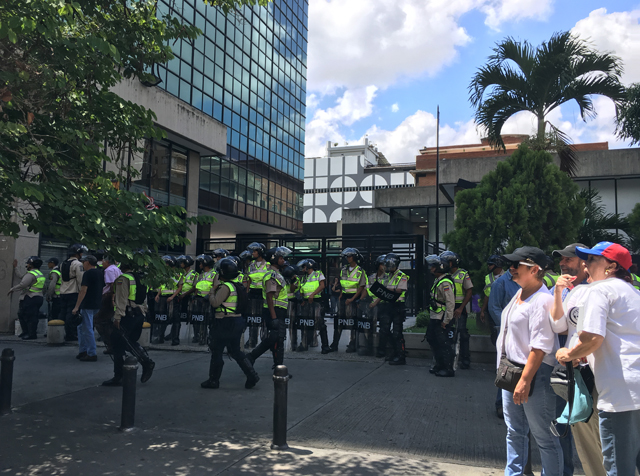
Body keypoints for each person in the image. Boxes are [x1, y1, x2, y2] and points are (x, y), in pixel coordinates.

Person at [556, 242, 640, 476]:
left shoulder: (599, 290)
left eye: (592, 260)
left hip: (618, 393)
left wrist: (569, 354)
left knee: (617, 468)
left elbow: (591, 337)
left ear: (611, 267)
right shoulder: (634, 294)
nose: (586, 264)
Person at [497, 246, 563, 476]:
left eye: (517, 266)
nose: (511, 269)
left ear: (535, 270)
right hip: (511, 370)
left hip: (532, 374)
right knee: (514, 431)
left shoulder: (542, 300)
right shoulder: (521, 292)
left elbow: (541, 346)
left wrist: (524, 381)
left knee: (544, 436)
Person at [549, 243, 604, 476]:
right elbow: (559, 325)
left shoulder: (601, 290)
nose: (562, 264)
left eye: (567, 259)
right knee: (582, 435)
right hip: (576, 375)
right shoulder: (573, 291)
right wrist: (559, 293)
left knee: (602, 438)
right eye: (560, 260)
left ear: (584, 263)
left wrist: (574, 354)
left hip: (599, 374)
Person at [201, 257, 260, 389]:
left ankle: (213, 380)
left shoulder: (225, 287)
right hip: (236, 321)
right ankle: (252, 375)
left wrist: (212, 290)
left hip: (224, 322)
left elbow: (215, 303)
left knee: (217, 351)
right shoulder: (237, 286)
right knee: (236, 351)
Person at [102, 259, 155, 386]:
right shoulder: (140, 278)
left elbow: (121, 300)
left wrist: (118, 317)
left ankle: (120, 375)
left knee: (117, 343)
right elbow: (144, 298)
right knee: (129, 342)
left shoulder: (123, 279)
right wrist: (143, 312)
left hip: (127, 315)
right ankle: (144, 363)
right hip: (138, 314)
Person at [247, 247, 292, 373]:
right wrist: (273, 318)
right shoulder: (272, 275)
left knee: (277, 339)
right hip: (274, 311)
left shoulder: (277, 274)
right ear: (275, 259)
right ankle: (254, 357)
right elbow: (269, 296)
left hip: (279, 310)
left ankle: (277, 366)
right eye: (281, 258)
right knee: (276, 338)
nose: (283, 260)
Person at [488, 260, 521, 418]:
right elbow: (494, 307)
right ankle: (501, 403)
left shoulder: (524, 281)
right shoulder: (500, 283)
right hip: (507, 333)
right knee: (506, 370)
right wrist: (507, 326)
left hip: (523, 335)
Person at [328, 248, 366, 353]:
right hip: (344, 297)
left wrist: (353, 299)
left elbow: (361, 287)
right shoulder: (343, 269)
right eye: (347, 256)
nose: (348, 258)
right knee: (339, 320)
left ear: (354, 257)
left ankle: (352, 343)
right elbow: (342, 283)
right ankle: (335, 344)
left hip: (354, 298)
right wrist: (341, 294)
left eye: (350, 256)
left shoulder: (360, 271)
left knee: (352, 321)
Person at [440, 251, 473, 369]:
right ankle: (448, 357)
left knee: (462, 333)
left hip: (459, 307)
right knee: (447, 333)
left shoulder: (463, 274)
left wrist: (461, 308)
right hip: (447, 307)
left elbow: (469, 291)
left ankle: (465, 359)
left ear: (452, 262)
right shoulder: (444, 275)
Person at [425, 255, 456, 377]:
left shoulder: (446, 282)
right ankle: (439, 364)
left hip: (441, 318)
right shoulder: (438, 280)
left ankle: (448, 368)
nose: (431, 269)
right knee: (432, 339)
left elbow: (450, 303)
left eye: (433, 266)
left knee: (443, 343)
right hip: (435, 316)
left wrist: (446, 320)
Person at [71, 255, 104, 362]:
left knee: (86, 328)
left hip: (87, 304)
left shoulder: (88, 274)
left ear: (88, 262)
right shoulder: (100, 272)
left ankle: (91, 352)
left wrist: (76, 306)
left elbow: (83, 290)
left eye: (83, 262)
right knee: (82, 328)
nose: (82, 264)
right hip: (96, 303)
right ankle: (83, 350)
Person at [382, 253, 409, 365]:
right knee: (385, 330)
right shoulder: (387, 276)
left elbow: (400, 290)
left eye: (389, 265)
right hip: (388, 305)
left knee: (397, 333)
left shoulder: (402, 276)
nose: (387, 267)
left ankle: (400, 355)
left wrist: (387, 289)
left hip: (398, 306)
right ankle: (392, 352)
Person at [8, 256, 45, 340]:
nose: (27, 265)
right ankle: (26, 332)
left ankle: (31, 334)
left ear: (31, 265)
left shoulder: (31, 274)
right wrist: (15, 268)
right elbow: (22, 277)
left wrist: (12, 289)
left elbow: (23, 284)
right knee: (22, 314)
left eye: (28, 263)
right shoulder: (38, 274)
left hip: (30, 297)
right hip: (38, 297)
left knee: (30, 316)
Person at [59, 244, 88, 341]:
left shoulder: (63, 263)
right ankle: (71, 334)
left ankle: (61, 332)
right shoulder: (78, 264)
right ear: (78, 253)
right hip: (73, 292)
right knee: (72, 314)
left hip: (63, 291)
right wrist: (82, 292)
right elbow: (80, 279)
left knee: (62, 313)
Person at [298, 259, 327, 352]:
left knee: (320, 323)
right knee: (305, 323)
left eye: (304, 266)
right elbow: (302, 289)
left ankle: (325, 346)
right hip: (306, 303)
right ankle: (304, 344)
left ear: (309, 266)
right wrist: (301, 299)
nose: (303, 268)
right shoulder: (304, 277)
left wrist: (313, 294)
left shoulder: (318, 274)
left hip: (316, 302)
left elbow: (322, 286)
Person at [94, 255, 121, 355]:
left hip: (108, 296)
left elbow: (112, 284)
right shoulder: (117, 269)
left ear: (107, 262)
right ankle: (112, 343)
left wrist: (112, 297)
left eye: (103, 261)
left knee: (99, 320)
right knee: (108, 320)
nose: (102, 263)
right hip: (112, 296)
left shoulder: (109, 270)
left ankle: (110, 343)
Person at [245, 242, 269, 349]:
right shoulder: (251, 265)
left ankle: (265, 340)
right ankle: (252, 340)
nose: (253, 253)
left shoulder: (268, 265)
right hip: (253, 294)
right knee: (252, 317)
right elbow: (248, 280)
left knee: (264, 317)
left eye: (255, 251)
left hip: (263, 294)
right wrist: (246, 292)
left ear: (260, 252)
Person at [153, 255, 181, 344]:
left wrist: (172, 297)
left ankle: (175, 339)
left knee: (175, 319)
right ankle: (160, 338)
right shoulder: (164, 273)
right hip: (163, 298)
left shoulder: (177, 274)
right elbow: (162, 285)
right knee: (162, 318)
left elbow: (180, 287)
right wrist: (158, 294)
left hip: (172, 298)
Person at [192, 254, 216, 345]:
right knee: (197, 318)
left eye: (201, 263)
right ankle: (198, 336)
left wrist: (209, 296)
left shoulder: (214, 274)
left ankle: (205, 337)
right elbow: (197, 286)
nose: (199, 265)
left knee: (207, 320)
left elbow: (215, 287)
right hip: (198, 299)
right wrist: (194, 296)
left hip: (207, 300)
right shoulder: (200, 275)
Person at [367, 255, 388, 358]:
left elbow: (386, 292)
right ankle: (369, 347)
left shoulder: (388, 277)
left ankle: (381, 350)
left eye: (385, 264)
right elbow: (367, 290)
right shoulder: (371, 278)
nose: (384, 266)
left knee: (384, 328)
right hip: (372, 305)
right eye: (382, 264)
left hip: (383, 305)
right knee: (370, 327)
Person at [479, 255, 504, 324]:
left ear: (497, 265)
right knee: (494, 331)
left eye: (490, 264)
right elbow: (486, 295)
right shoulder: (488, 277)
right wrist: (482, 310)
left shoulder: (507, 276)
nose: (488, 266)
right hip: (492, 309)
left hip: (504, 307)